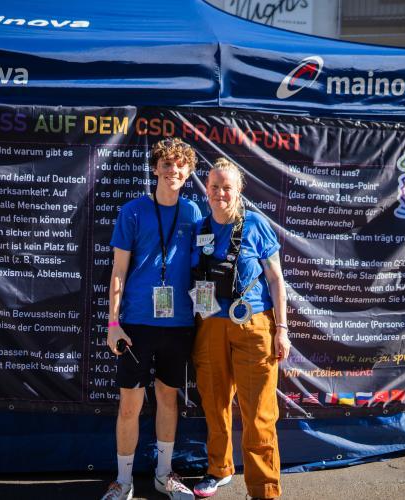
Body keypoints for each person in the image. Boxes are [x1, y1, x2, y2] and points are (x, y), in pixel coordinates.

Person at [102, 138, 201, 500]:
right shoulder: (132, 211)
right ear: (156, 168)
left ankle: (163, 475)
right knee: (130, 404)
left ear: (188, 172)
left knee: (168, 400)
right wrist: (113, 323)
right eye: (166, 163)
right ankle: (123, 481)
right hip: (137, 324)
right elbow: (118, 271)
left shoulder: (193, 213)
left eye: (179, 165)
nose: (173, 170)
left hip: (179, 325)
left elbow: (202, 266)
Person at [191, 157, 291, 500]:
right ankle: (218, 469)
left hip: (254, 324)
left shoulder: (256, 225)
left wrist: (282, 329)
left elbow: (276, 280)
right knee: (214, 402)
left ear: (239, 190)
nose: (220, 193)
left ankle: (263, 489)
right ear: (206, 189)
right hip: (209, 325)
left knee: (259, 411)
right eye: (214, 186)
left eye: (227, 187)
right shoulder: (200, 228)